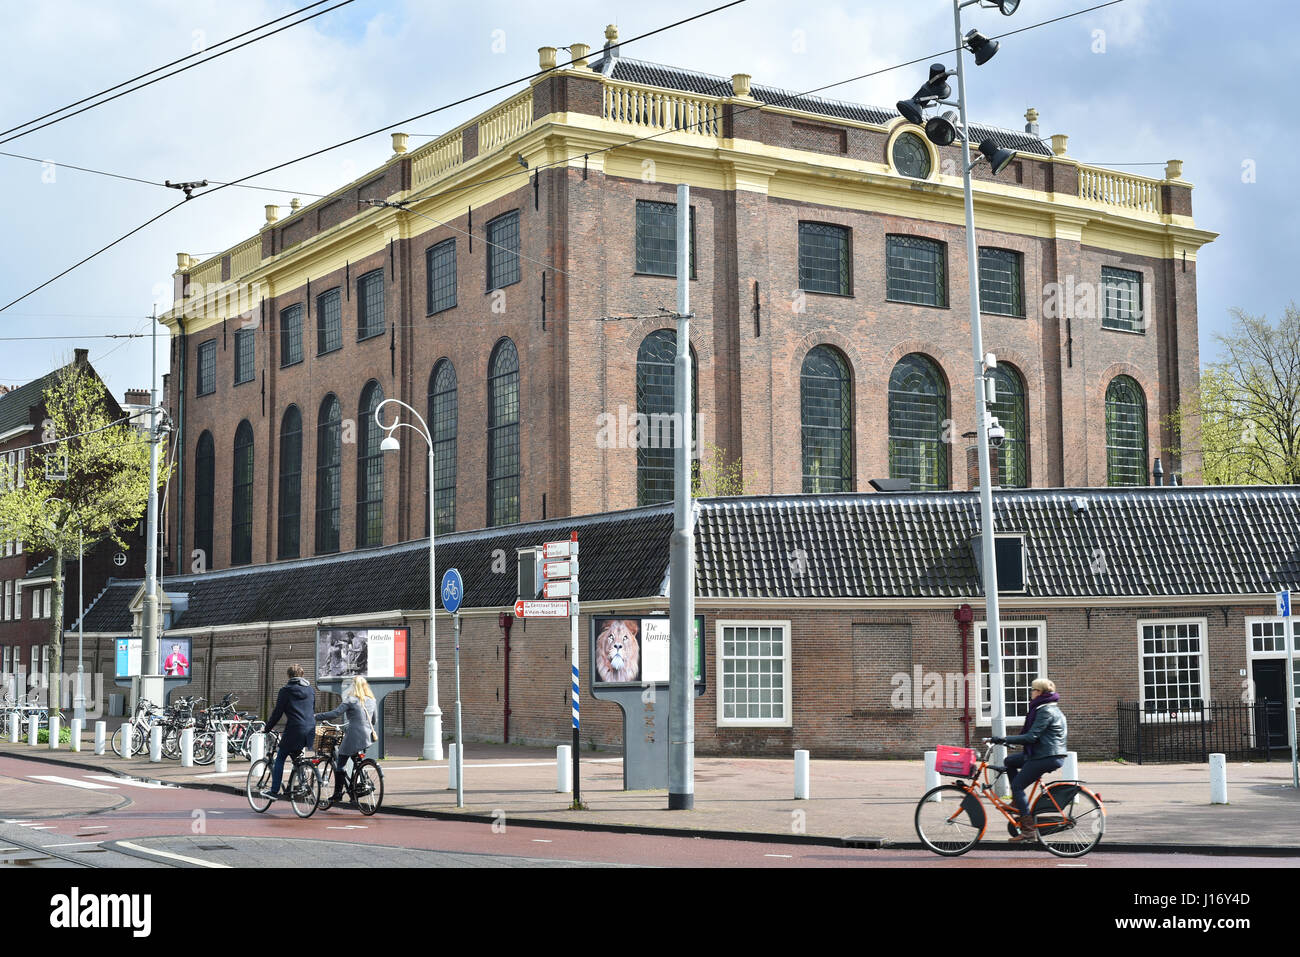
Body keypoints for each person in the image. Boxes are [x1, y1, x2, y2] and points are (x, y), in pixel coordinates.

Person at [992, 677, 1068, 841]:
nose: (1030, 693)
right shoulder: (1050, 708)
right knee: (1010, 762)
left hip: (1046, 756)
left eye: (1032, 690)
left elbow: (1031, 736)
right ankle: (1016, 803)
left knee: (1018, 785)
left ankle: (1028, 831)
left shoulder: (1045, 710)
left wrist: (1004, 739)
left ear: (1039, 692)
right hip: (1046, 753)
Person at [314, 676, 377, 805]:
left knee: (341, 763)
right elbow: (374, 720)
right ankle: (353, 792)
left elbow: (335, 713)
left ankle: (337, 794)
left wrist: (316, 716)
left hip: (353, 735)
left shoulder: (351, 700)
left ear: (353, 687)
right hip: (367, 735)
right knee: (356, 761)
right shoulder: (372, 700)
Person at [261, 664, 315, 801]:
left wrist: (267, 728)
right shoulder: (310, 690)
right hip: (310, 728)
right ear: (301, 675)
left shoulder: (286, 691)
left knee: (280, 758)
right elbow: (311, 709)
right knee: (297, 757)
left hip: (294, 729)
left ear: (289, 676)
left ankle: (274, 791)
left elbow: (277, 713)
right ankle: (302, 784)